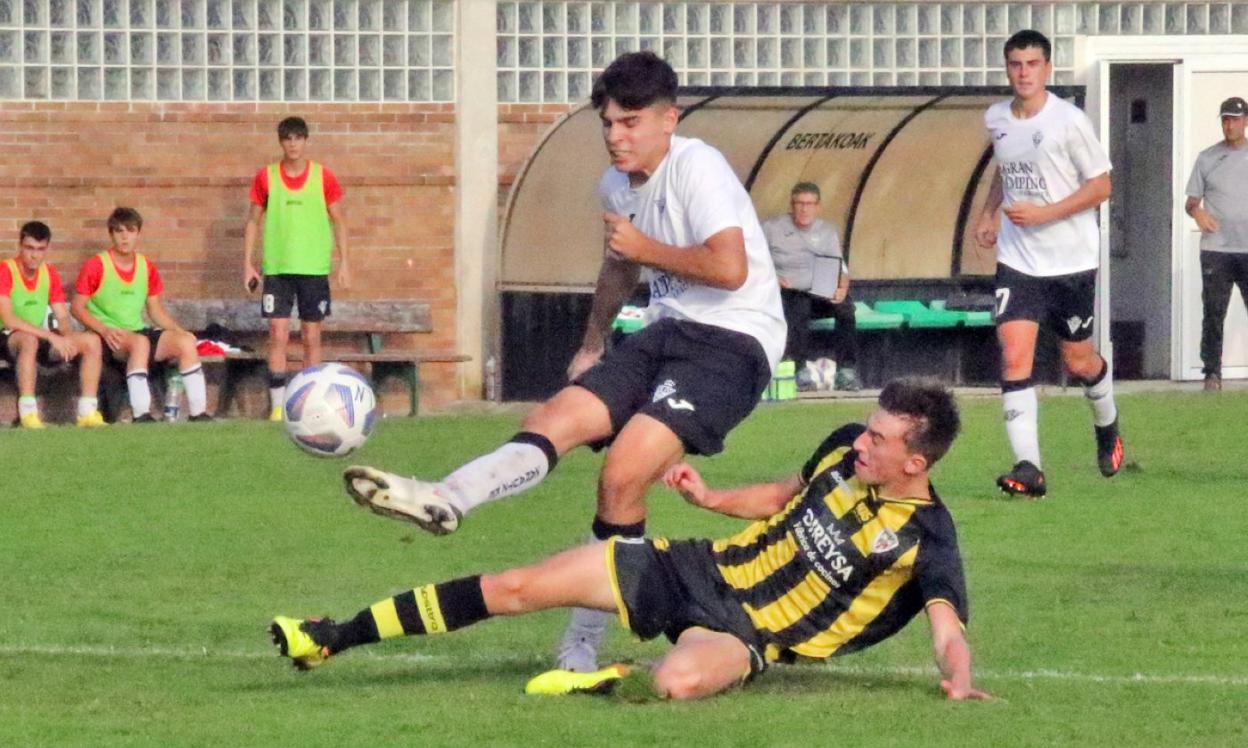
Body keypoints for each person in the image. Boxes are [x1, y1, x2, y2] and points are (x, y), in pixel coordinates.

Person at [343, 51, 786, 673]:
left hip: (734, 340)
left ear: (669, 119)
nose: (616, 136)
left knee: (623, 475)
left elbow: (730, 268)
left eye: (630, 122)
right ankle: (447, 496)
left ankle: (581, 648)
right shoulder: (615, 186)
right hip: (665, 332)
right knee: (556, 417)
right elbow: (619, 268)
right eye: (607, 124)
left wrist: (643, 247)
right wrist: (593, 343)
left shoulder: (697, 166)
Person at [272, 379, 989, 703]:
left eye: (879, 439)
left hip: (749, 636)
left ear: (915, 463)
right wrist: (711, 498)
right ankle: (331, 637)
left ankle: (605, 677)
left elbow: (947, 629)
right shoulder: (842, 449)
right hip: (694, 569)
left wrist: (957, 678)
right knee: (517, 587)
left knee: (675, 684)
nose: (862, 442)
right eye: (867, 429)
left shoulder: (928, 539)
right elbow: (781, 495)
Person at [973, 29, 1124, 498]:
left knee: (1078, 361)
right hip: (1018, 260)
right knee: (1014, 355)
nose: (1024, 73)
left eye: (1032, 64)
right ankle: (1030, 468)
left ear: (1047, 69)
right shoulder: (997, 118)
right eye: (1016, 64)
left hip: (1070, 261)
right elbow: (1005, 168)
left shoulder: (1069, 121)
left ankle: (1107, 425)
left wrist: (1045, 214)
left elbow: (1101, 186)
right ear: (1007, 68)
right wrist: (989, 212)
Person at [243, 116, 350, 421]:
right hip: (278, 268)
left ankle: (309, 402)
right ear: (281, 142)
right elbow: (253, 221)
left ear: (306, 141)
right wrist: (248, 263)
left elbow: (339, 221)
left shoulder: (322, 176)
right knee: (277, 333)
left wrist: (344, 262)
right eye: (287, 139)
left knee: (311, 336)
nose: (293, 144)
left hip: (313, 269)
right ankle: (278, 406)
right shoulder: (266, 177)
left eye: (298, 138)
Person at [70, 207, 212, 422]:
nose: (124, 237)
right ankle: (141, 412)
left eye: (130, 231)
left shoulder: (146, 267)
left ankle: (198, 413)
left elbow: (155, 310)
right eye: (119, 231)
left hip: (136, 331)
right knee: (140, 343)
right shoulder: (96, 265)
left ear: (138, 233)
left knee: (184, 343)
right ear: (111, 234)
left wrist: (181, 331)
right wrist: (103, 330)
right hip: (108, 334)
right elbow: (77, 307)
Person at [0, 221, 105, 428]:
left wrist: (66, 336)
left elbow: (62, 315)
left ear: (47, 249)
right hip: (8, 336)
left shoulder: (49, 273)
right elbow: (9, 319)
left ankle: (87, 412)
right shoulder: (6, 270)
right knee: (29, 340)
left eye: (40, 249)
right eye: (29, 248)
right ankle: (28, 414)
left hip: (38, 336)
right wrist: (50, 336)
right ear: (20, 246)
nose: (34, 255)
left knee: (91, 341)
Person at [761, 182, 861, 391]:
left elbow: (841, 267)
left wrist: (842, 288)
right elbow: (754, 261)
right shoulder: (771, 229)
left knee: (845, 308)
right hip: (785, 293)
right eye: (799, 204)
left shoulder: (827, 231)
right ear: (792, 205)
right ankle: (799, 369)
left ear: (818, 207)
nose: (804, 209)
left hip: (818, 290)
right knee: (799, 305)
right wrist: (773, 278)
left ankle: (847, 371)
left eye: (809, 204)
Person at [1184, 96, 1248, 392]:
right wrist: (1197, 213)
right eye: (1225, 120)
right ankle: (1212, 373)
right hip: (1216, 250)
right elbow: (1191, 202)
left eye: (1234, 119)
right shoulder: (1207, 158)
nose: (1229, 125)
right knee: (1213, 313)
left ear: (1245, 121)